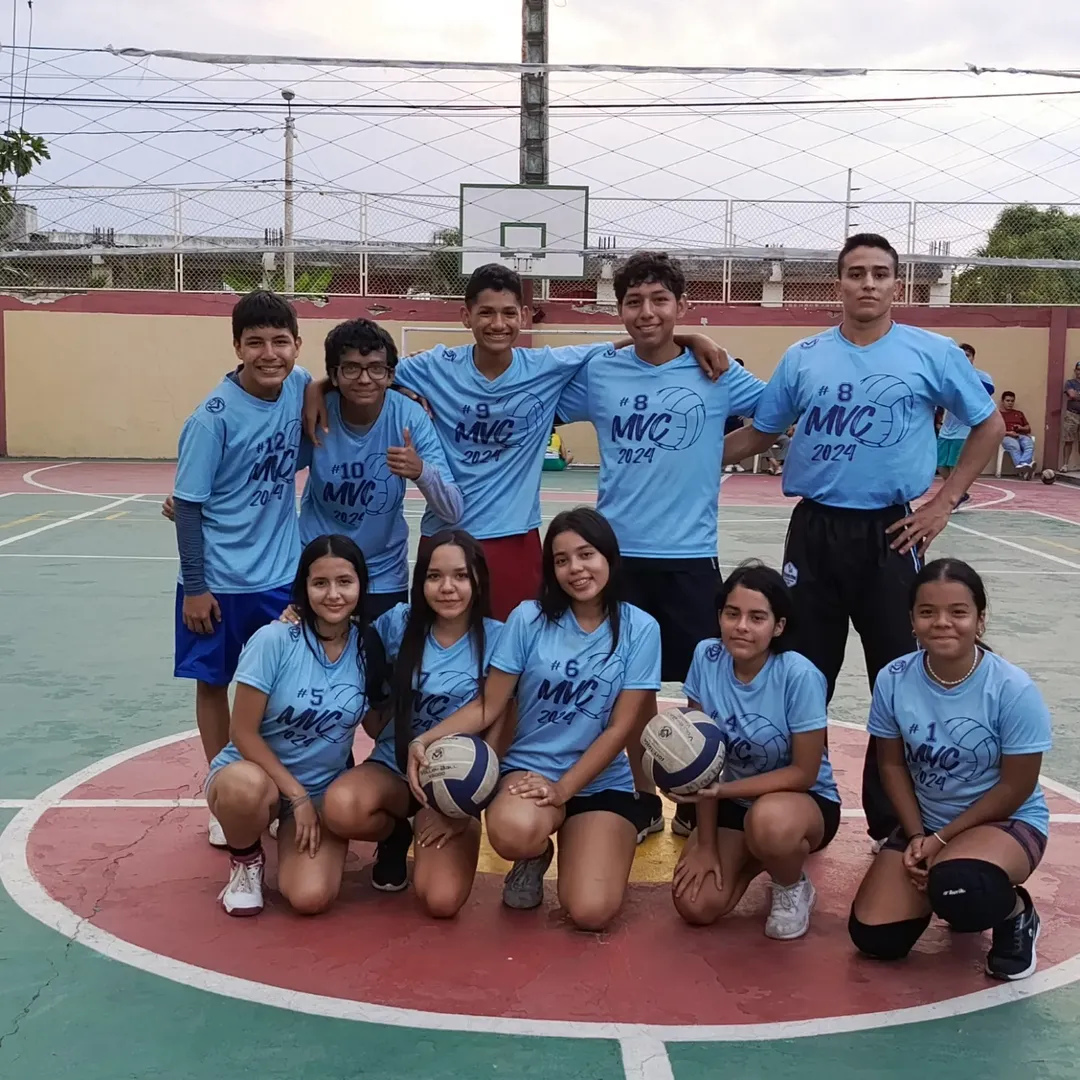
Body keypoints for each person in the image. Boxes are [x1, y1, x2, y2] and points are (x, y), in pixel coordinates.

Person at [723, 234, 1005, 845]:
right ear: (839, 284)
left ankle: (892, 827)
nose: (868, 284)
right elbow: (759, 434)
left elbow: (990, 425)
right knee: (802, 673)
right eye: (856, 273)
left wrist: (943, 502)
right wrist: (683, 461)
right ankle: (799, 806)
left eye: (880, 273)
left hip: (893, 533)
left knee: (897, 675)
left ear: (896, 284)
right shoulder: (803, 357)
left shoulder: (930, 353)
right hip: (816, 530)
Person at [305, 263, 726, 621]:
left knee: (514, 661)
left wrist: (692, 338)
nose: (498, 324)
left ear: (524, 315)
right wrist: (319, 386)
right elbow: (372, 375)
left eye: (508, 313)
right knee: (438, 656)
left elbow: (637, 341)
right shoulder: (433, 367)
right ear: (465, 316)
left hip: (515, 539)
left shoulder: (547, 366)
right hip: (448, 537)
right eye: (486, 312)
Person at [555, 252, 766, 839]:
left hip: (690, 555)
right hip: (616, 558)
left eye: (660, 301)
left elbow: (778, 413)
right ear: (619, 309)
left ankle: (697, 794)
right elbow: (538, 397)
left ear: (681, 305)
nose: (646, 313)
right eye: (633, 302)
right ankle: (646, 797)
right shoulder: (602, 372)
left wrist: (716, 454)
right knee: (633, 686)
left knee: (701, 684)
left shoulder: (716, 372)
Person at [405, 507, 661, 931]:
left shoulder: (641, 628)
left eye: (586, 555)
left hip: (598, 779)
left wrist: (563, 790)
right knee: (512, 832)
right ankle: (534, 854)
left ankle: (587, 841)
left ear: (609, 557)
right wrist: (426, 739)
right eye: (561, 560)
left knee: (590, 912)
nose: (575, 569)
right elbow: (489, 704)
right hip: (528, 771)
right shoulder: (528, 618)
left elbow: (620, 729)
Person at [849, 559, 1050, 981]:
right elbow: (891, 762)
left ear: (979, 619)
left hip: (1004, 822)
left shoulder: (1012, 689)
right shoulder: (894, 679)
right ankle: (952, 885)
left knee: (963, 886)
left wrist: (941, 840)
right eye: (928, 612)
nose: (942, 623)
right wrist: (918, 835)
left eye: (958, 612)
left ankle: (1015, 913)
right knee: (875, 938)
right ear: (912, 620)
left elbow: (1017, 786)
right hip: (929, 825)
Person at [172, 290, 311, 847]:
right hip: (220, 582)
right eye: (255, 342)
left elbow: (319, 391)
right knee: (214, 683)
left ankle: (280, 780)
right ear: (236, 347)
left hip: (279, 575)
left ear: (297, 345)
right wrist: (196, 587)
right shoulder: (211, 419)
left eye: (280, 341)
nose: (269, 353)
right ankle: (222, 787)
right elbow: (187, 505)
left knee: (278, 683)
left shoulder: (298, 385)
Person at [319, 530, 502, 913]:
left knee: (441, 900)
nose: (447, 587)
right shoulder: (398, 624)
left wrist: (467, 808)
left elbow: (502, 719)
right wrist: (298, 616)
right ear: (421, 582)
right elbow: (338, 634)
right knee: (340, 807)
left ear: (479, 580)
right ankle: (395, 831)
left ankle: (434, 824)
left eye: (461, 576)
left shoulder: (499, 638)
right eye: (434, 576)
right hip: (394, 763)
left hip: (454, 780)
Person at [206, 534, 387, 917]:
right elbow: (242, 732)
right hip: (260, 778)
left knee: (310, 898)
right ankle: (246, 861)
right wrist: (296, 795)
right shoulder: (275, 640)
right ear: (303, 587)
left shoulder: (368, 647)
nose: (333, 594)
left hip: (322, 787)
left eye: (345, 582)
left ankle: (292, 834)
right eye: (320, 583)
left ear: (361, 586)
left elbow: (375, 725)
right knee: (245, 788)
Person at [670, 562, 841, 941]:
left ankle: (790, 884)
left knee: (770, 823)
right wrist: (707, 844)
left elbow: (804, 772)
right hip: (734, 804)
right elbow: (703, 755)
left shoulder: (799, 675)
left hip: (800, 801)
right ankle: (762, 856)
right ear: (720, 616)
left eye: (757, 617)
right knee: (696, 906)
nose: (741, 626)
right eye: (732, 614)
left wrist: (721, 791)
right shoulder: (706, 657)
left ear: (778, 626)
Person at [298, 318, 462, 618]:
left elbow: (452, 509)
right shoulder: (316, 414)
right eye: (351, 368)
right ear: (333, 375)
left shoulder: (409, 417)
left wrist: (421, 471)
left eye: (376, 368)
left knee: (381, 662)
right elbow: (265, 473)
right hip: (322, 567)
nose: (364, 379)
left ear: (390, 376)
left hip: (383, 574)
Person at [936, 343, 995, 509]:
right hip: (947, 429)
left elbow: (981, 395)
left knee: (956, 465)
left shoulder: (982, 377)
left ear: (973, 358)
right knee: (941, 466)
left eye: (968, 355)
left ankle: (956, 495)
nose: (964, 358)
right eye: (961, 355)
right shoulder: (946, 376)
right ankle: (961, 493)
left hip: (964, 430)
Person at [999, 390, 1035, 480]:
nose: (1010, 403)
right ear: (1002, 401)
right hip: (1006, 436)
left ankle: (1023, 466)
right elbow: (996, 431)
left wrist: (1020, 428)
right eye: (1008, 401)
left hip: (1021, 435)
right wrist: (1009, 433)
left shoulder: (1019, 413)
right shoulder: (998, 414)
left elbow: (1028, 428)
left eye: (1012, 401)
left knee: (1029, 444)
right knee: (1015, 446)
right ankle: (1025, 470)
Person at [1063, 361, 1080, 472]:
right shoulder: (1070, 383)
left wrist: (1077, 395)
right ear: (1075, 371)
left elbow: (1075, 395)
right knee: (1068, 440)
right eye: (1078, 369)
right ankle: (1065, 465)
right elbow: (1072, 395)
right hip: (1072, 414)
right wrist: (1074, 395)